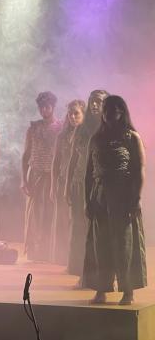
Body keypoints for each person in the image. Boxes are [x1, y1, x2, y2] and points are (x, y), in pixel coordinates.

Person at [82, 96, 147, 305]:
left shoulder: (131, 137)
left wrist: (136, 198)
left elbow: (140, 170)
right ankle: (101, 289)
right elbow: (89, 174)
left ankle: (128, 291)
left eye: (114, 111)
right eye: (106, 111)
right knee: (100, 245)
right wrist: (87, 201)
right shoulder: (96, 139)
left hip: (123, 196)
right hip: (99, 197)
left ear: (121, 113)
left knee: (124, 244)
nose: (109, 115)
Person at [66, 90, 108, 278]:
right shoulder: (81, 130)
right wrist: (66, 186)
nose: (95, 105)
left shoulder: (111, 128)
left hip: (100, 185)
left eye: (99, 101)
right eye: (92, 101)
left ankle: (101, 272)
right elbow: (72, 160)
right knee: (78, 226)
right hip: (79, 183)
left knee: (98, 229)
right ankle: (78, 268)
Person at [22, 91, 62, 262]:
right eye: (41, 107)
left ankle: (52, 251)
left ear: (53, 106)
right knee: (35, 214)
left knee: (52, 213)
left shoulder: (61, 127)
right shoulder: (33, 128)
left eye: (47, 107)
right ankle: (36, 252)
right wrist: (23, 180)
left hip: (54, 176)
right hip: (36, 175)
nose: (44, 110)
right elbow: (25, 155)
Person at [49, 99, 86, 264]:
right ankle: (62, 257)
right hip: (63, 181)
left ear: (83, 114)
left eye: (76, 113)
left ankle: (78, 257)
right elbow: (55, 162)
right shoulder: (62, 136)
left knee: (78, 220)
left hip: (81, 182)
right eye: (70, 114)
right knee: (62, 220)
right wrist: (52, 186)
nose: (72, 117)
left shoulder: (87, 135)